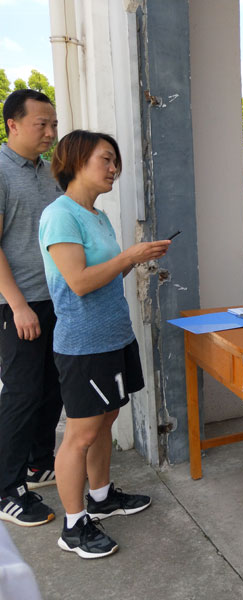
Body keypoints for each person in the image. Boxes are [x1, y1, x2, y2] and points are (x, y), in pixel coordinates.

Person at [39, 130, 171, 558]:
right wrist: (129, 257)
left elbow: (106, 275)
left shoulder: (96, 215)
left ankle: (101, 496)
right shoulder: (60, 215)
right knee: (80, 433)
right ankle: (74, 525)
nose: (114, 169)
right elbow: (77, 283)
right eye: (107, 159)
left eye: (115, 161)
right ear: (77, 161)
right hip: (83, 344)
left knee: (107, 419)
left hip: (113, 335)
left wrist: (138, 259)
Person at [0, 89, 63, 528]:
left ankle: (40, 464)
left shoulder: (48, 173)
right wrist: (18, 305)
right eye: (41, 124)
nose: (50, 132)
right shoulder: (2, 172)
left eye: (53, 124)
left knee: (52, 387)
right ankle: (7, 488)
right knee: (22, 395)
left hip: (55, 298)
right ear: (13, 125)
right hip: (17, 305)